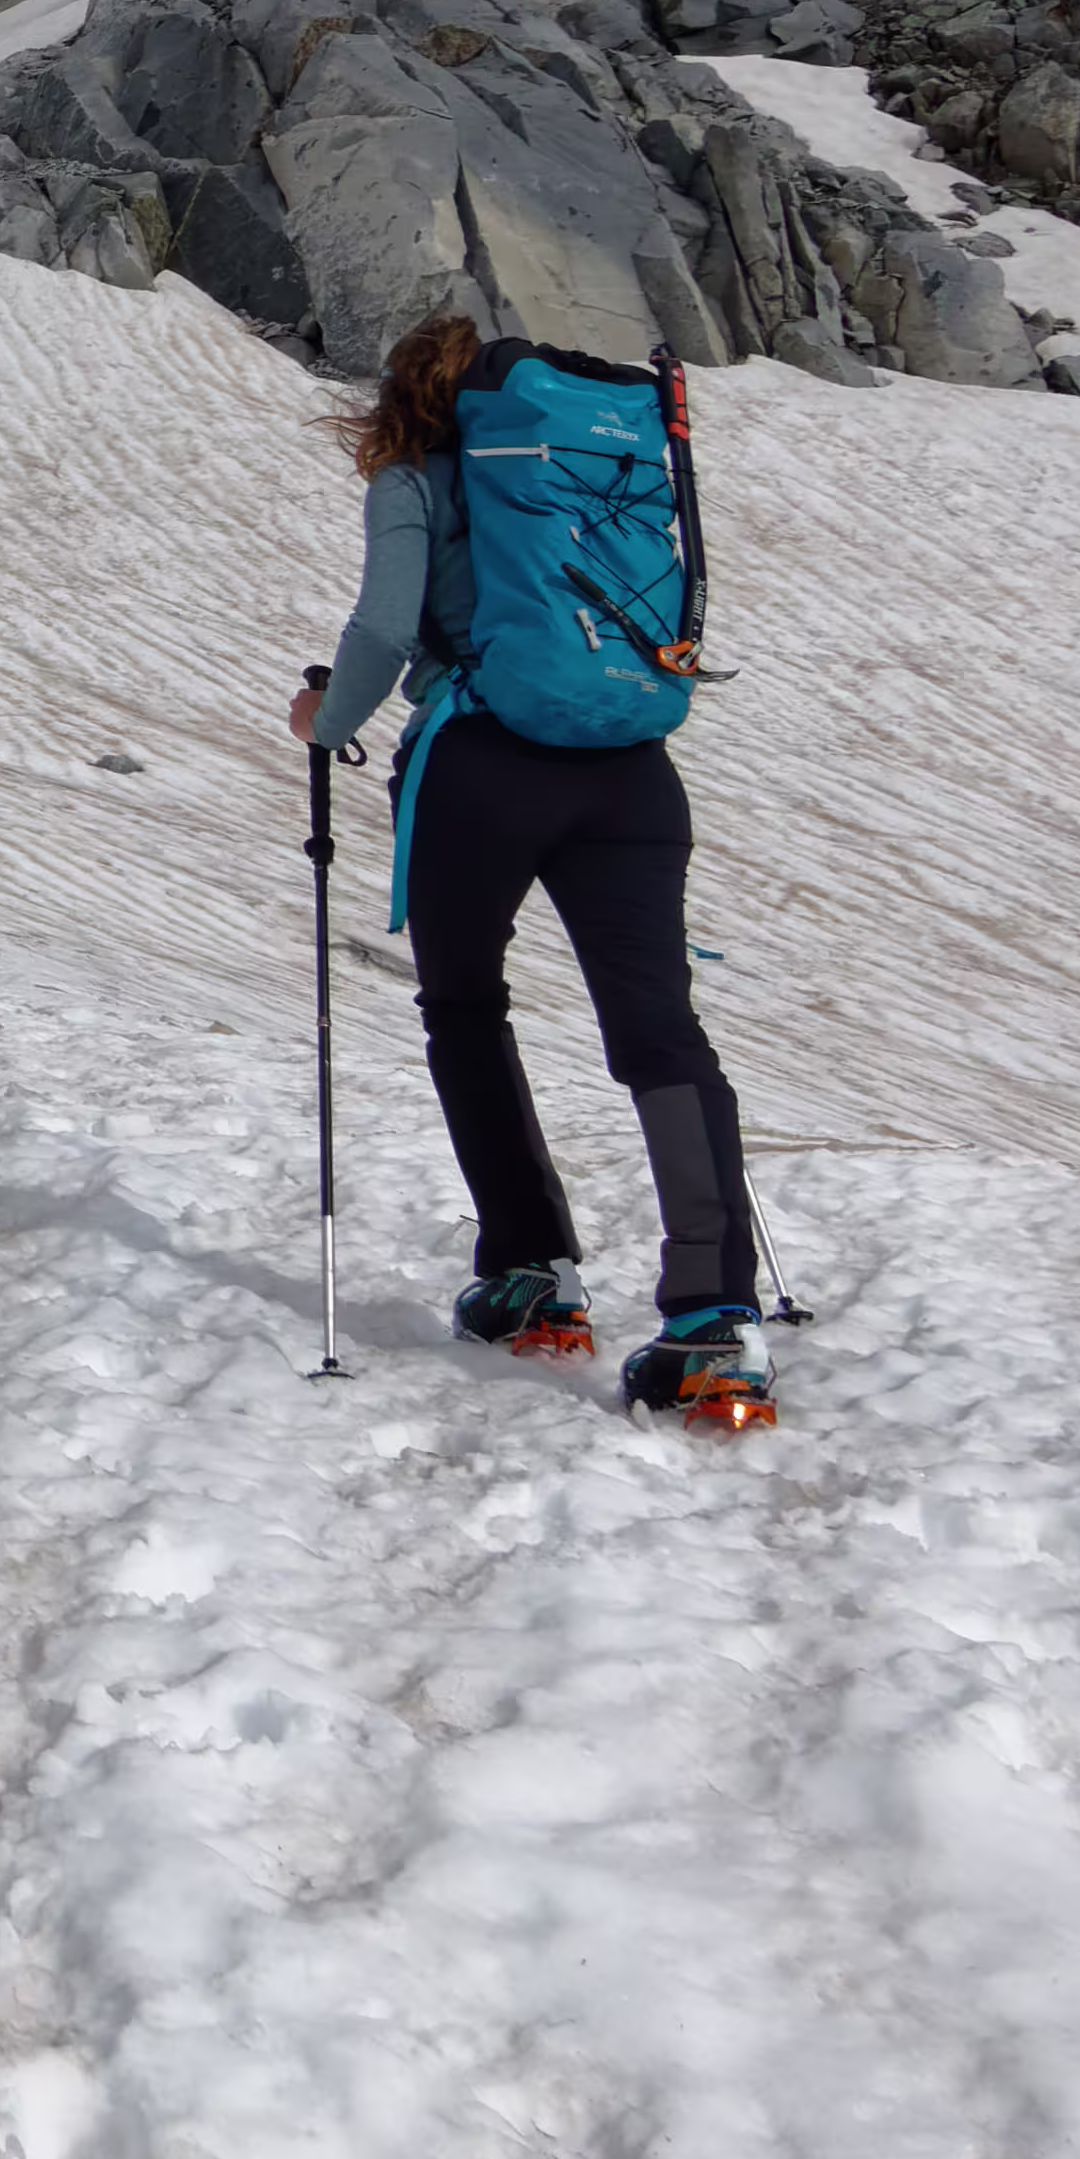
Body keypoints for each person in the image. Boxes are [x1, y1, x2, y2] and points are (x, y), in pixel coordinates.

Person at [292, 312, 775, 1425]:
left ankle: (533, 1277)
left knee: (466, 1009)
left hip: (484, 767)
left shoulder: (418, 477)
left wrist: (327, 724)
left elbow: (380, 629)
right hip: (633, 771)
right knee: (663, 1032)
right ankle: (715, 1320)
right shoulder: (600, 468)